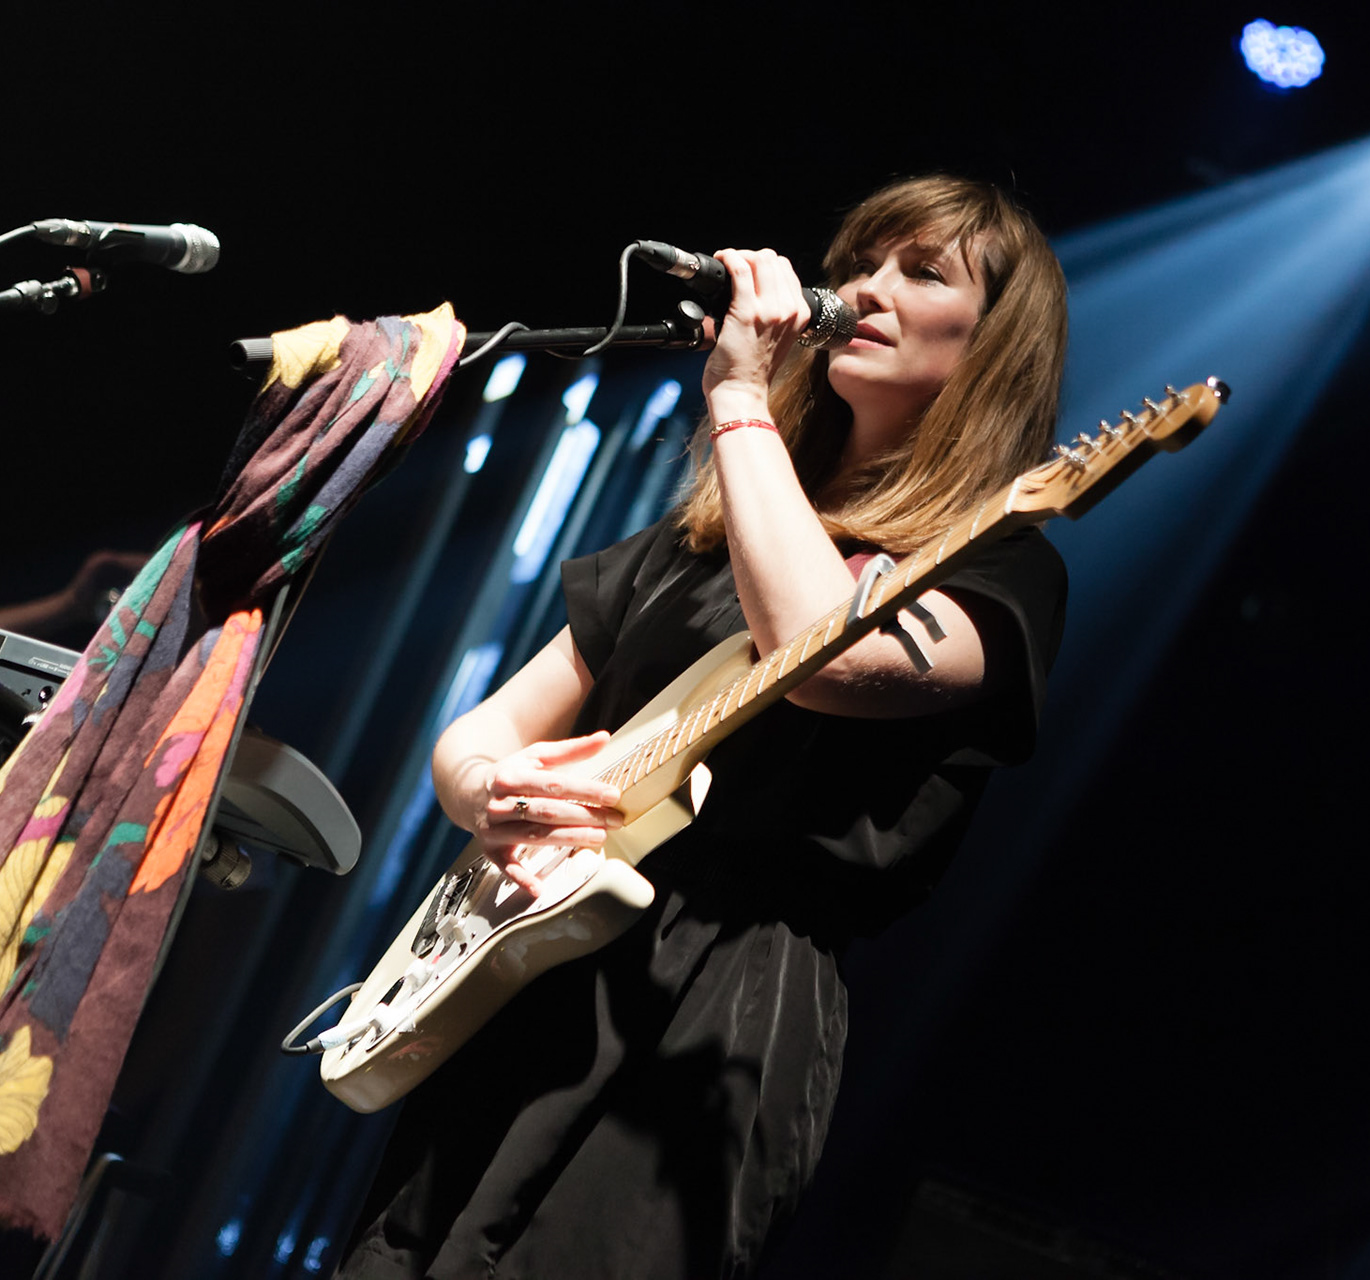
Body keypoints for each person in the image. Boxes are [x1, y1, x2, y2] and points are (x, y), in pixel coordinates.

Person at [337, 175, 1070, 1280]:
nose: (865, 289)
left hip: (720, 1005)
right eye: (861, 260)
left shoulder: (1002, 569)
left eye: (920, 272)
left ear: (995, 346)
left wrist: (739, 396)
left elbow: (822, 654)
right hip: (540, 958)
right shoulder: (695, 541)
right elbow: (478, 733)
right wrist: (494, 790)